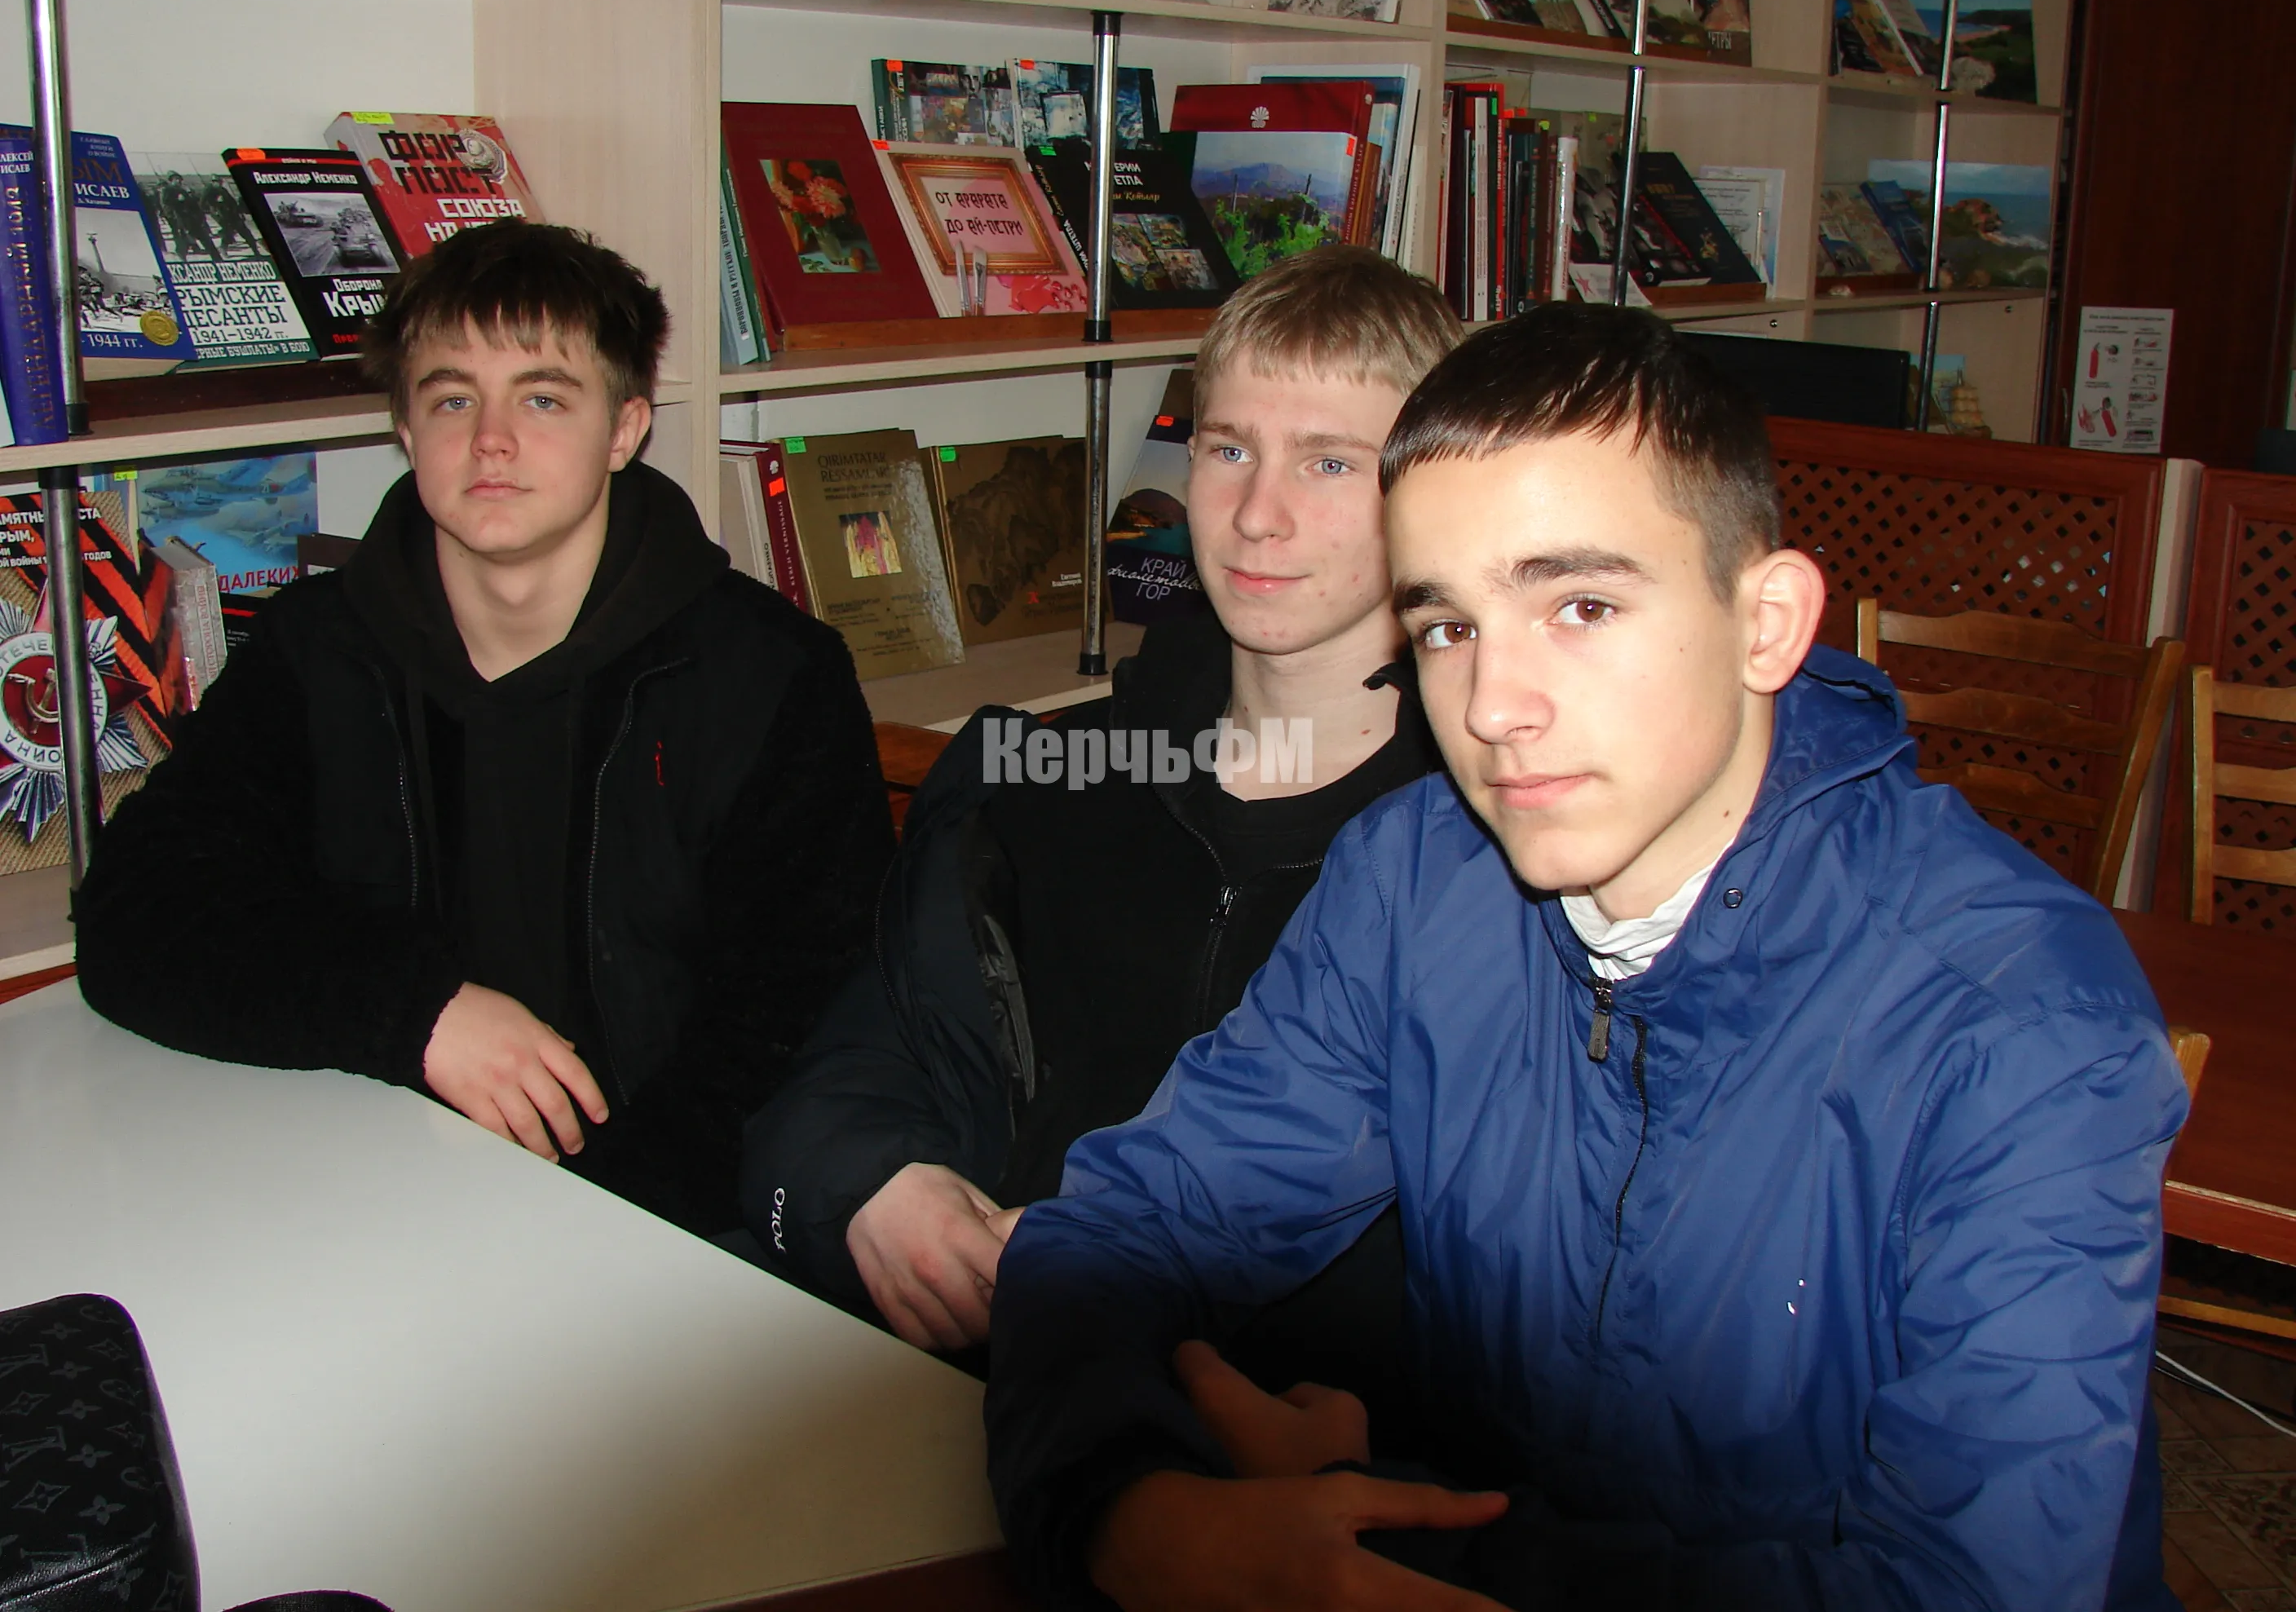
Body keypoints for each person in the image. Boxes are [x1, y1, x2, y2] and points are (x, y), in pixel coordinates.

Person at [984, 303, 2186, 1612]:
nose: (1495, 707)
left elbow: (1971, 1589)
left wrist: (1384, 1541)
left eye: (1583, 604)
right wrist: (1124, 1508)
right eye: (1448, 628)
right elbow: (1125, 1229)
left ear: (1768, 622)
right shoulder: (1412, 881)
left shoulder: (2018, 1016)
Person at [75, 220, 894, 1239]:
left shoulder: (770, 676)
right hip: (357, 1187)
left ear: (625, 429)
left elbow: (804, 1025)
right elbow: (136, 917)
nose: (491, 441)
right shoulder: (316, 648)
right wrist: (418, 1012)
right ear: (406, 430)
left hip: (656, 1228)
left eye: (542, 398)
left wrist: (580, 1227)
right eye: (452, 398)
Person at [740, 246, 1463, 1393]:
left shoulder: (1479, 847)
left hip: (1302, 1446)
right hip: (990, 1398)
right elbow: (855, 1061)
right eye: (1228, 449)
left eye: (1330, 462)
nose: (1257, 515)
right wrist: (870, 1184)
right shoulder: (1049, 775)